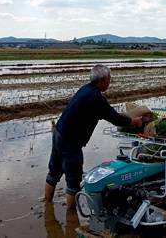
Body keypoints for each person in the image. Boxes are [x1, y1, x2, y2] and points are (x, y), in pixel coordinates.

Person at [44, 64, 142, 209]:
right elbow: (114, 117)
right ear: (102, 81)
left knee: (54, 171)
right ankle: (71, 218)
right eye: (109, 79)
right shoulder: (96, 98)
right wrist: (134, 121)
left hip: (58, 133)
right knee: (73, 180)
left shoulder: (86, 89)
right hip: (70, 141)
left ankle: (47, 206)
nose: (110, 82)